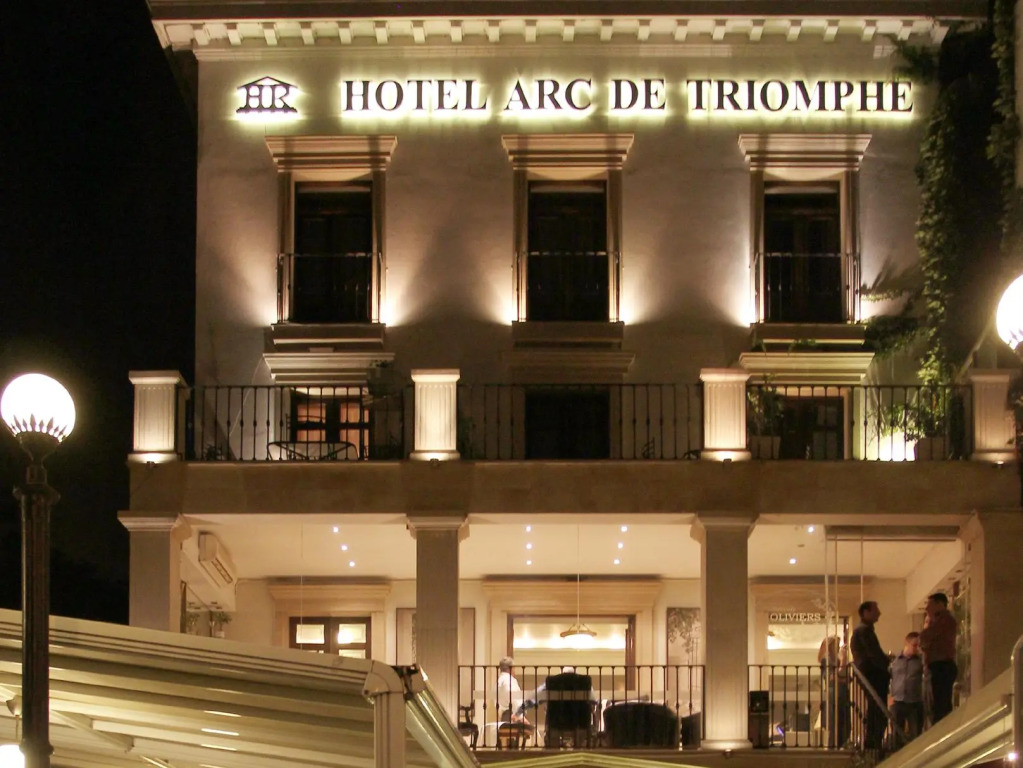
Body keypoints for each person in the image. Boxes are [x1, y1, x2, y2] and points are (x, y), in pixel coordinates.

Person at [850, 601, 890, 751]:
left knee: (875, 708)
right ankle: (873, 743)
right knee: (877, 709)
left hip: (871, 674)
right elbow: (874, 654)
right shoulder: (864, 631)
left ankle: (873, 743)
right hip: (873, 675)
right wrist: (886, 664)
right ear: (866, 612)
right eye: (875, 610)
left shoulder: (863, 631)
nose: (879, 613)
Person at [919, 592, 958, 723]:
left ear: (939, 604)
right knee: (936, 704)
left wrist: (926, 634)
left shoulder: (945, 620)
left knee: (941, 705)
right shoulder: (936, 621)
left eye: (929, 604)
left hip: (942, 666)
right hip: (937, 665)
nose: (927, 608)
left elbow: (925, 637)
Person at [889, 632, 924, 741]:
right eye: (914, 645)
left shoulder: (920, 661)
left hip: (914, 702)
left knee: (915, 734)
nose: (917, 648)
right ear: (907, 643)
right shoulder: (895, 662)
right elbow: (890, 677)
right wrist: (890, 696)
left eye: (918, 646)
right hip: (898, 701)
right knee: (897, 734)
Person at [818, 635, 850, 748]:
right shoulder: (826, 660)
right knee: (834, 722)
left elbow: (842, 678)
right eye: (837, 644)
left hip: (841, 692)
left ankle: (840, 744)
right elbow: (831, 677)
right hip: (834, 693)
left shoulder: (836, 660)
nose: (838, 647)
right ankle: (834, 746)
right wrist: (843, 661)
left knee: (843, 723)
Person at [496, 656, 527, 723]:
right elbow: (514, 698)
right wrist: (521, 717)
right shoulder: (508, 680)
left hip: (504, 715)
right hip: (513, 716)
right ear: (511, 668)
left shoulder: (499, 681)